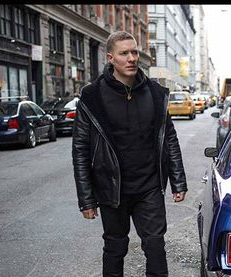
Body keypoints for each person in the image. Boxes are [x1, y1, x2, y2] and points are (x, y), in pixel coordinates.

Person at [72, 31, 187, 277]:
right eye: (124, 53)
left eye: (134, 52)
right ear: (111, 57)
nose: (132, 57)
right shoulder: (91, 97)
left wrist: (178, 181)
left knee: (156, 245)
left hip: (149, 186)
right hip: (112, 188)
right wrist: (86, 199)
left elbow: (169, 139)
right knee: (115, 247)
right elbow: (80, 149)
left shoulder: (156, 93)